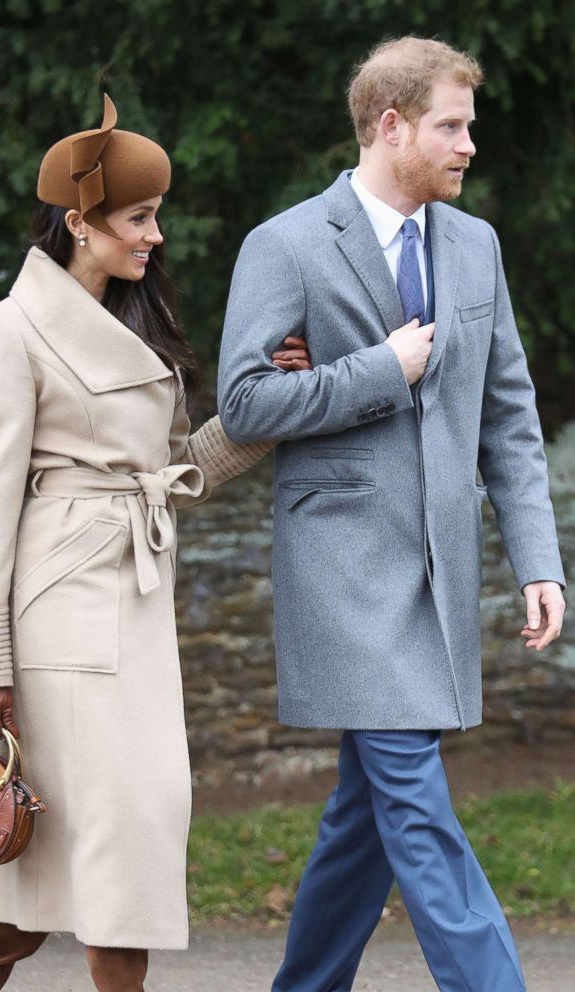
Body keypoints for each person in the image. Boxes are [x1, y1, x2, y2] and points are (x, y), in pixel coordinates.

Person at [0, 94, 311, 992]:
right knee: (117, 838)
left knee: (98, 836)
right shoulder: (7, 332)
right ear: (78, 222)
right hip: (60, 613)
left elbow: (178, 475)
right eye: (138, 217)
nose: (156, 236)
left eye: (155, 216)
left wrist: (273, 413)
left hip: (135, 604)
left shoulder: (137, 325)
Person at [217, 36, 566, 992]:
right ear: (391, 125)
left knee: (363, 815)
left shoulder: (476, 245)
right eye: (451, 126)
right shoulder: (284, 244)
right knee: (413, 802)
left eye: (469, 127)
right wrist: (381, 370)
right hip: (343, 576)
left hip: (437, 576)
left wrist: (537, 560)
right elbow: (243, 404)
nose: (467, 146)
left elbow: (508, 416)